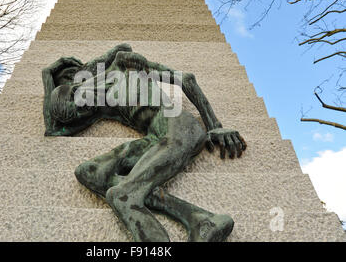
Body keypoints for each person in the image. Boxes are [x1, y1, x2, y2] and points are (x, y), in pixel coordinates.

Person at [42, 43, 246, 242]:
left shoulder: (122, 65)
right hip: (156, 138)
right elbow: (53, 129)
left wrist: (214, 126)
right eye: (79, 112)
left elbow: (186, 79)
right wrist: (47, 75)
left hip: (178, 129)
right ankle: (201, 220)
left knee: (121, 196)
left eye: (80, 103)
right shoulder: (100, 104)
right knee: (89, 172)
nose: (83, 112)